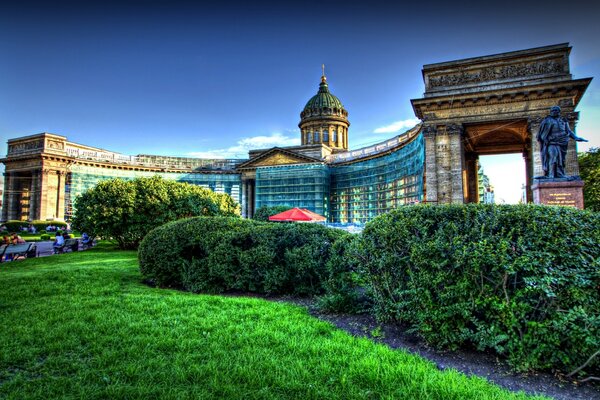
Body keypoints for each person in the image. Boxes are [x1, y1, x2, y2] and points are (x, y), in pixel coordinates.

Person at [537, 106, 588, 179]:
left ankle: (560, 174)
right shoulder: (546, 120)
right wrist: (545, 139)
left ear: (559, 111)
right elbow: (541, 134)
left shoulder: (563, 120)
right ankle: (550, 175)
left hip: (563, 142)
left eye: (556, 110)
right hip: (552, 142)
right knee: (553, 157)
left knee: (561, 160)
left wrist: (576, 137)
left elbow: (568, 131)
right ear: (550, 112)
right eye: (552, 110)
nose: (554, 111)